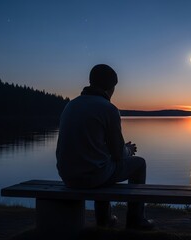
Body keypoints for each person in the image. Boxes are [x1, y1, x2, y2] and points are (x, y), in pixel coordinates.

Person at [56, 64, 154, 229]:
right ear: (111, 87)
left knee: (101, 163)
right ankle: (136, 219)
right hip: (92, 177)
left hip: (67, 176)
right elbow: (117, 154)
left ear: (91, 82)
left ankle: (104, 220)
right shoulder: (108, 109)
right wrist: (128, 150)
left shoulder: (71, 105)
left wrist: (118, 150)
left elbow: (92, 147)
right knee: (139, 164)